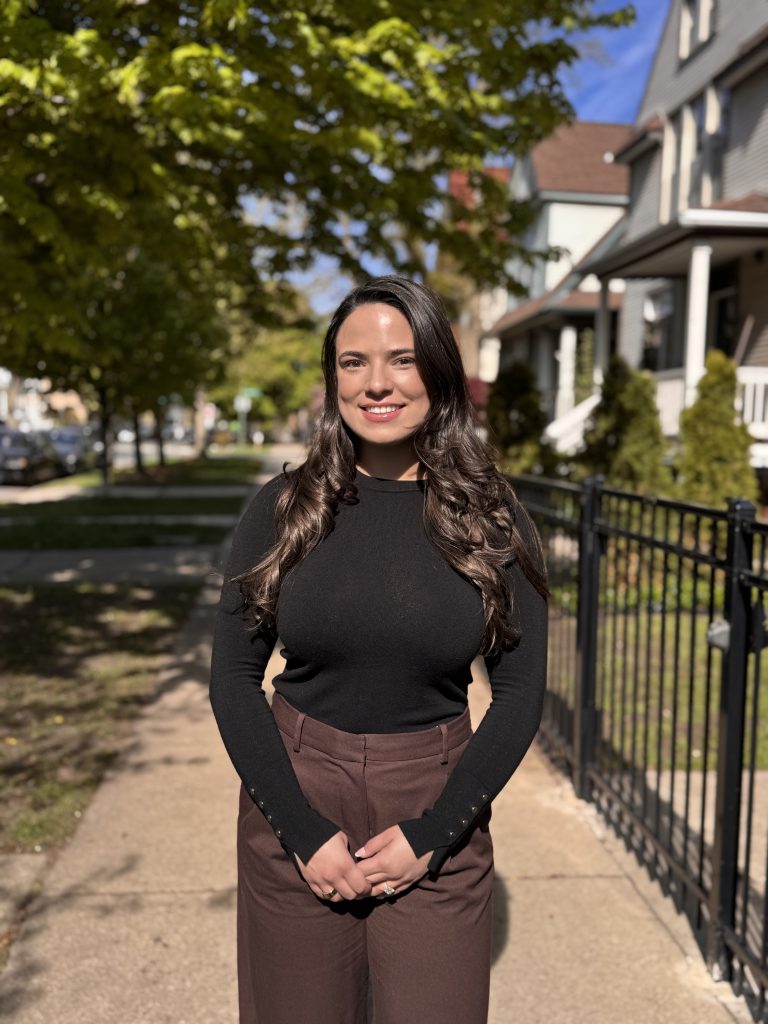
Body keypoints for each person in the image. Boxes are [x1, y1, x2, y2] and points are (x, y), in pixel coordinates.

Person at [209, 275, 549, 1024]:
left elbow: (521, 693)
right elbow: (233, 677)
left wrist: (435, 834)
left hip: (437, 794)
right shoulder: (284, 508)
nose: (377, 383)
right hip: (297, 790)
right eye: (353, 362)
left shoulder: (491, 516)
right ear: (333, 378)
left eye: (400, 359)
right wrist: (298, 829)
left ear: (437, 368)